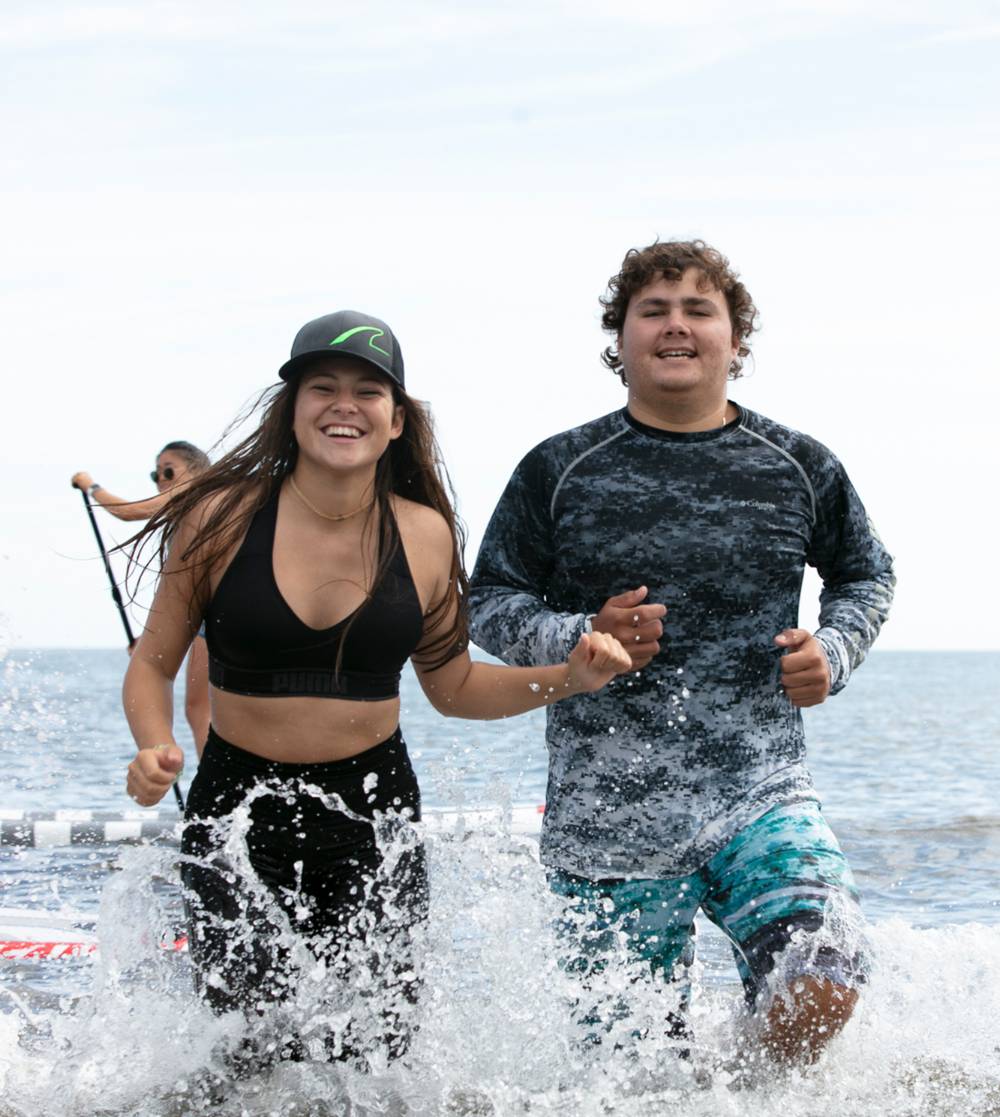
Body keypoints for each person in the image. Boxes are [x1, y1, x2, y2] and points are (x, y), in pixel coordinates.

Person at [122, 310, 632, 1068]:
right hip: (236, 809)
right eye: (322, 386)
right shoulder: (219, 517)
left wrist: (570, 678)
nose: (344, 404)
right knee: (245, 1056)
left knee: (378, 1060)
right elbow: (152, 664)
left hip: (373, 814)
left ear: (396, 420)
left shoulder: (424, 534)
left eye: (368, 391)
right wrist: (155, 745)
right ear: (290, 409)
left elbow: (454, 687)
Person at [467, 240, 895, 1069]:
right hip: (606, 819)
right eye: (653, 309)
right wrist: (576, 633)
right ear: (618, 339)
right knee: (635, 1081)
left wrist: (833, 651)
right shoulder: (558, 468)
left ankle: (744, 1087)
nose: (676, 325)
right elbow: (487, 599)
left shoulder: (800, 465)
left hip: (760, 792)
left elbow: (866, 573)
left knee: (824, 979)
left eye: (699, 309)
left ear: (737, 341)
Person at [72, 442, 212, 755]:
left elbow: (128, 511)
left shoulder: (195, 487)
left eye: (167, 470)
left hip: (214, 613)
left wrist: (89, 485)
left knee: (201, 709)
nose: (161, 479)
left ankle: (216, 790)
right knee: (201, 707)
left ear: (195, 469)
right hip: (204, 614)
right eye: (155, 473)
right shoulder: (196, 506)